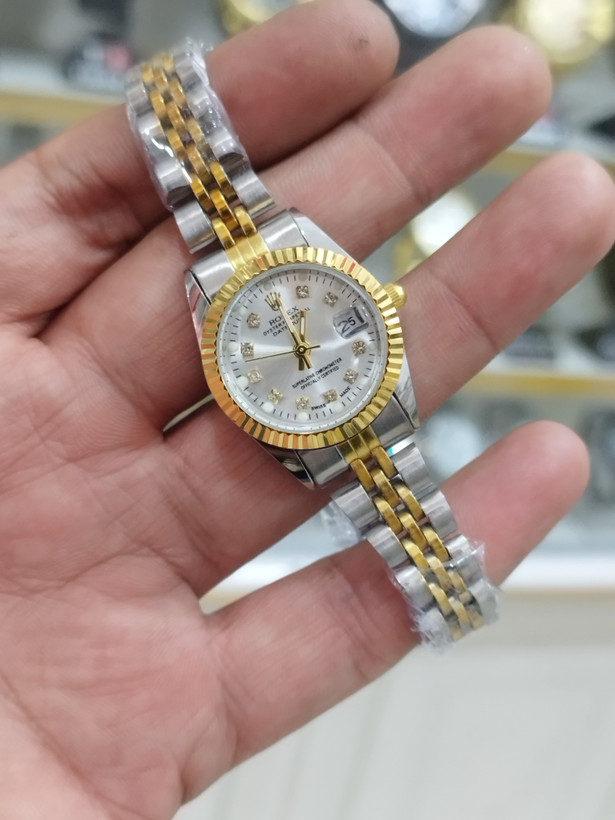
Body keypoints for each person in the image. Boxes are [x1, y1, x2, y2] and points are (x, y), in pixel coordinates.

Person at [1, 0, 614, 816]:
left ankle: (446, 584)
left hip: (343, 386)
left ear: (372, 306)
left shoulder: (303, 280)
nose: (298, 347)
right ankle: (445, 586)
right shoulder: (219, 309)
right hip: (307, 402)